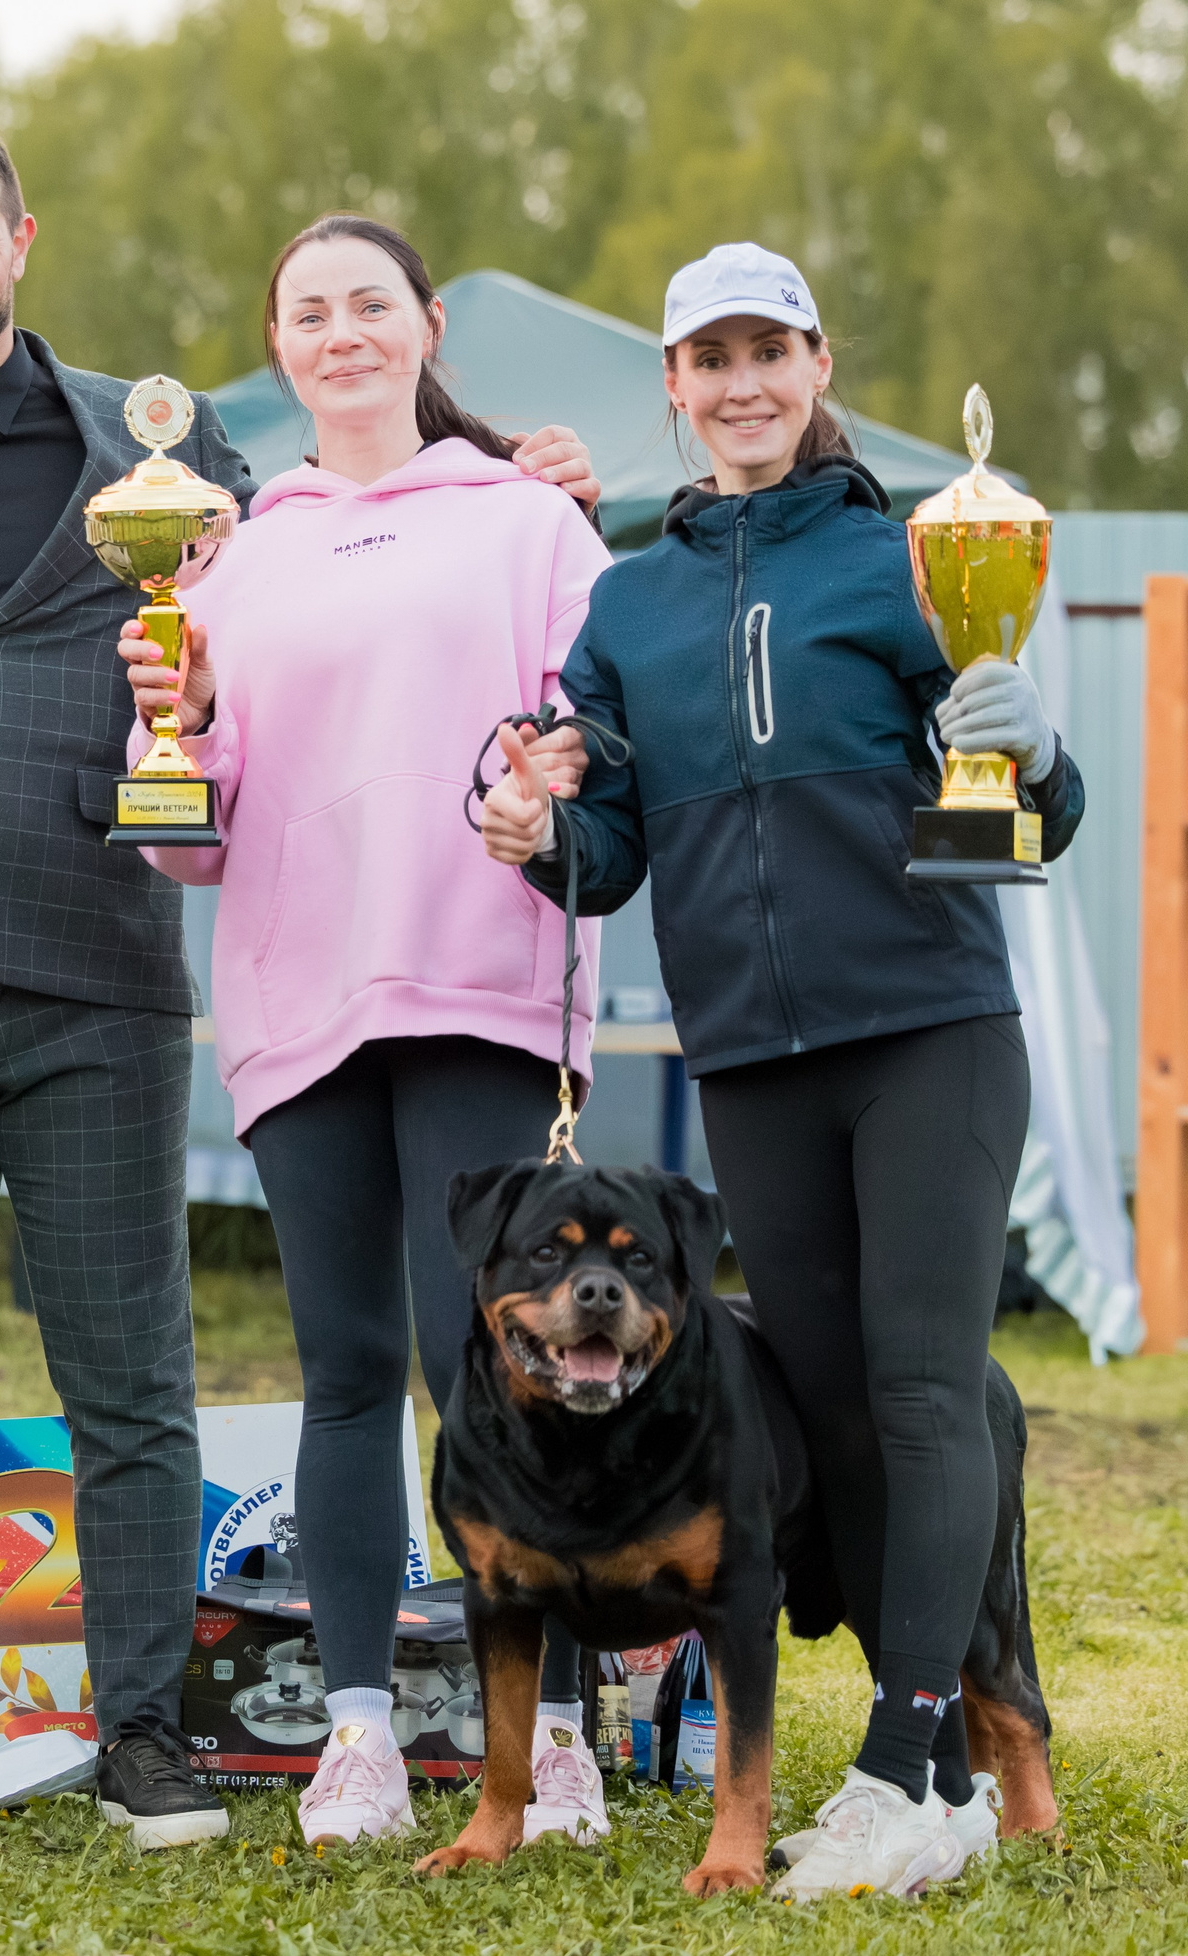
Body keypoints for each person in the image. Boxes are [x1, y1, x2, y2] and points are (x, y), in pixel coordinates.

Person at [0, 117, 600, 1850]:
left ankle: (147, 1729)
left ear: (22, 241)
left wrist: (524, 475)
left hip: (98, 959)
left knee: (130, 1381)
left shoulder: (159, 443)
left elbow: (354, 501)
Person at [482, 241, 1078, 1899]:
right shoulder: (628, 600)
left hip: (928, 1033)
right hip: (747, 1051)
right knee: (827, 1405)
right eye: (708, 357)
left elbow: (1034, 816)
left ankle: (899, 1761)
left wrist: (1035, 749)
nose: (740, 383)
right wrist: (536, 831)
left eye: (770, 350)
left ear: (816, 366)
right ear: (672, 386)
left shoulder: (908, 562)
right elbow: (604, 854)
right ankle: (947, 1773)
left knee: (922, 1381)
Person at [115, 212, 614, 1852]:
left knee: (504, 1368)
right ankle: (355, 1738)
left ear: (428, 325)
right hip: (301, 1010)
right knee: (346, 1373)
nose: (342, 334)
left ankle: (549, 1732)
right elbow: (191, 840)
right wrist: (163, 720)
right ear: (279, 349)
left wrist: (546, 780)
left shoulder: (533, 523)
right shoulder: (230, 557)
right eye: (309, 312)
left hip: (484, 989)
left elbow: (595, 745)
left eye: (370, 306)